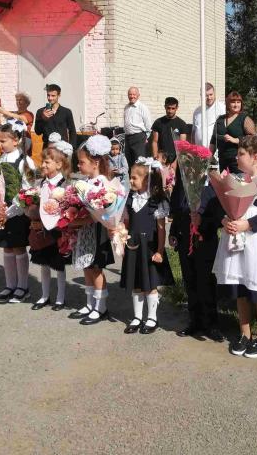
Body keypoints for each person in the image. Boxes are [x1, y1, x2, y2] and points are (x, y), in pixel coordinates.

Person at [214, 132, 257, 359]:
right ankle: (244, 333)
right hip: (238, 244)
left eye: (241, 154)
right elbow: (227, 208)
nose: (237, 157)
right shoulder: (238, 181)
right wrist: (226, 220)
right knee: (241, 288)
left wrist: (247, 224)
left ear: (255, 157)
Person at [121, 158, 174, 334]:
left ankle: (152, 317)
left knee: (150, 283)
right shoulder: (130, 199)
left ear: (147, 180)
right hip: (133, 246)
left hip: (149, 247)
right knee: (136, 282)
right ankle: (137, 317)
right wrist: (122, 240)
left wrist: (160, 251)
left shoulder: (156, 201)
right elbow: (126, 223)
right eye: (130, 177)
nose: (131, 181)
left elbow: (161, 230)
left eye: (134, 178)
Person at [70, 135, 115, 324]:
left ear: (95, 163)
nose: (78, 165)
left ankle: (101, 307)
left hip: (97, 231)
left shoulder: (102, 183)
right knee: (87, 267)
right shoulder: (86, 182)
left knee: (96, 269)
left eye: (82, 162)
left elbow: (104, 209)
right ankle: (90, 303)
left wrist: (86, 216)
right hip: (85, 230)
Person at [0, 121, 36, 305]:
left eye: (3, 141)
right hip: (0, 210)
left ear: (16, 140)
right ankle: (10, 285)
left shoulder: (25, 161)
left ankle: (22, 287)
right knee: (7, 247)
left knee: (18, 247)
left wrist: (8, 212)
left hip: (17, 211)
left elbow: (28, 190)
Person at [173, 179, 223, 342]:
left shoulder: (211, 187)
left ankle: (211, 323)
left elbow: (218, 218)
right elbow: (178, 211)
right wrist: (173, 232)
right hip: (185, 241)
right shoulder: (182, 185)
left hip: (205, 241)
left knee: (206, 281)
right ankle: (195, 320)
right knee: (190, 280)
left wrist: (203, 222)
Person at [29, 144, 72, 311]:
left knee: (58, 265)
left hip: (58, 230)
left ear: (59, 165)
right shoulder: (41, 183)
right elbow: (35, 204)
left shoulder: (65, 184)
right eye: (42, 162)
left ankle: (60, 298)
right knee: (44, 263)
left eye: (47, 162)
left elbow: (68, 207)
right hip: (41, 229)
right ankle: (44, 296)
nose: (43, 165)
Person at [211, 91, 256, 173]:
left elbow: (253, 138)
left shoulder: (244, 118)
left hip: (239, 161)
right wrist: (209, 156)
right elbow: (214, 139)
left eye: (238, 102)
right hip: (223, 161)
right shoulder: (220, 119)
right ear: (228, 104)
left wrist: (236, 140)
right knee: (224, 181)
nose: (236, 105)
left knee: (239, 181)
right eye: (233, 102)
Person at [34, 84, 76, 151]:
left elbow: (72, 131)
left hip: (62, 148)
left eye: (53, 96)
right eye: (48, 95)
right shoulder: (40, 112)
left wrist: (72, 147)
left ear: (59, 95)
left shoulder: (66, 111)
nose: (50, 98)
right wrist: (43, 119)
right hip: (47, 148)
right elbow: (37, 132)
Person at [150, 97, 188, 163]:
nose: (170, 111)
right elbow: (154, 141)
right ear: (165, 107)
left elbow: (182, 146)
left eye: (173, 108)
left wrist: (176, 161)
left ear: (177, 108)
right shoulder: (158, 122)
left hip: (176, 159)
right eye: (168, 108)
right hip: (161, 158)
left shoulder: (182, 124)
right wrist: (155, 158)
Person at [123, 86, 152, 168]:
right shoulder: (126, 107)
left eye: (134, 94)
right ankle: (131, 176)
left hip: (139, 138)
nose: (132, 96)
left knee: (139, 162)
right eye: (130, 94)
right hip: (128, 137)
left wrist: (146, 138)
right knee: (129, 161)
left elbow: (148, 125)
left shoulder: (142, 107)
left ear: (138, 95)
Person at [192, 82, 225, 147]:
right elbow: (194, 131)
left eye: (211, 94)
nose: (209, 97)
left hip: (215, 150)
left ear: (214, 93)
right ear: (201, 95)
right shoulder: (197, 111)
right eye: (206, 95)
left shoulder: (222, 108)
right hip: (199, 150)